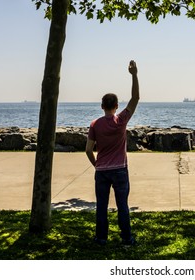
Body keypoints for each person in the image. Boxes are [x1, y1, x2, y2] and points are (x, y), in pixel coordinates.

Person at [85, 60, 139, 246]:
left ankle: (101, 238)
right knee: (122, 205)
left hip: (102, 171)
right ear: (116, 105)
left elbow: (88, 149)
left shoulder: (94, 124)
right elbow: (135, 99)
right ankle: (126, 238)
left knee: (101, 206)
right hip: (120, 171)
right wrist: (134, 75)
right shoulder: (121, 120)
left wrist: (97, 164)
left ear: (102, 106)